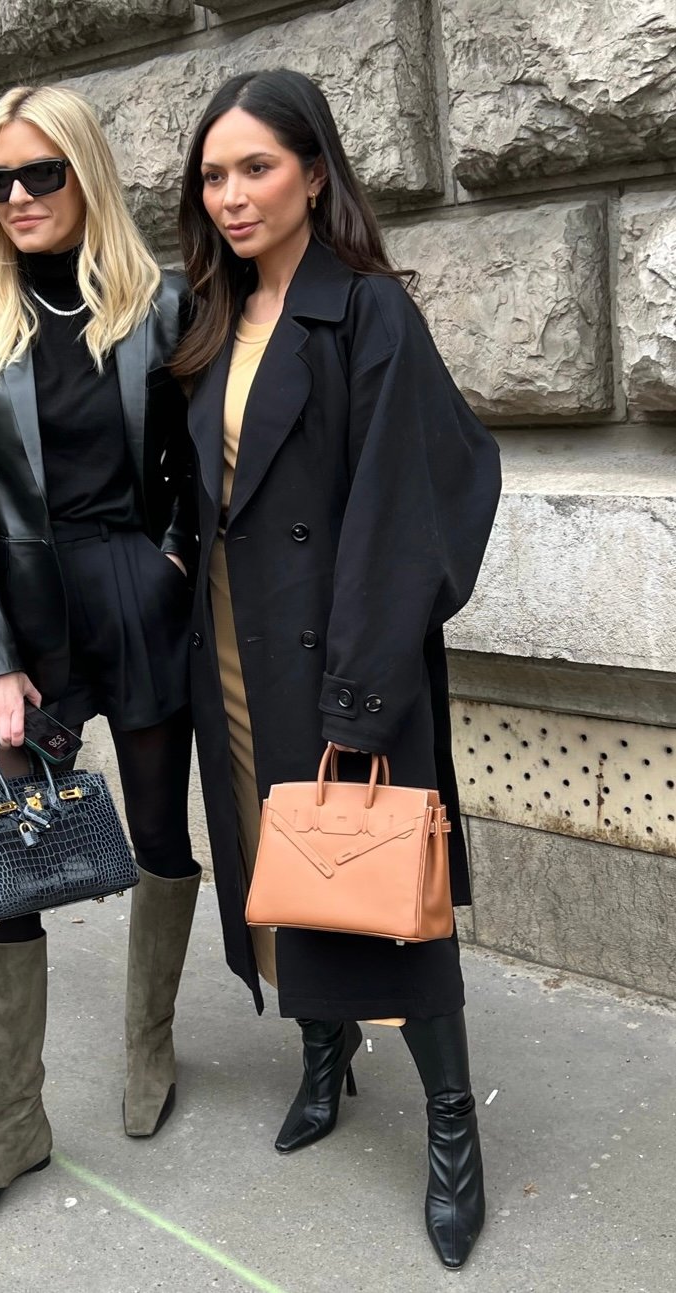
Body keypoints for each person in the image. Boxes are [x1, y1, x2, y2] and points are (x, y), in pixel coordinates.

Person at [173, 69, 501, 1269]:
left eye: (256, 166)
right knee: (272, 863)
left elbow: (413, 503)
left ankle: (454, 1131)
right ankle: (325, 1054)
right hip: (232, 645)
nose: (232, 195)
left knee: (392, 903)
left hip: (339, 652)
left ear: (315, 172)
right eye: (214, 174)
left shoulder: (367, 312)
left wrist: (363, 694)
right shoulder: (212, 318)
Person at [0, 84, 200, 1239]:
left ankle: (148, 1047)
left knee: (157, 836)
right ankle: (12, 1128)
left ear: (84, 174)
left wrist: (175, 566)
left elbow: (201, 463)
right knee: (9, 867)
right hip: (27, 631)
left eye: (42, 174)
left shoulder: (161, 304)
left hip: (140, 595)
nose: (21, 197)